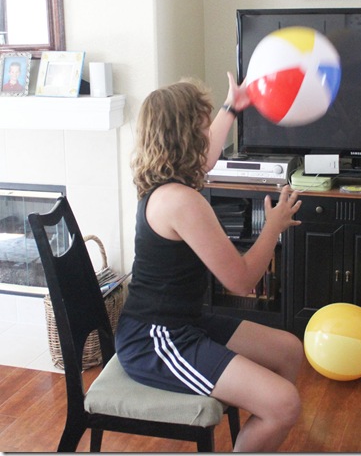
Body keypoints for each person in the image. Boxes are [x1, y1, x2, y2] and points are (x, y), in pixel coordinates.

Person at [115, 72, 304, 452]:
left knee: (289, 351)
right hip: (157, 341)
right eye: (203, 126)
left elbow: (210, 153)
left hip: (183, 322)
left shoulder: (168, 181)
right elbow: (242, 282)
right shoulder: (182, 202)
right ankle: (263, 423)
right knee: (285, 404)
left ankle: (258, 437)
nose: (209, 134)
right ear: (187, 138)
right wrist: (274, 227)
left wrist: (232, 105)